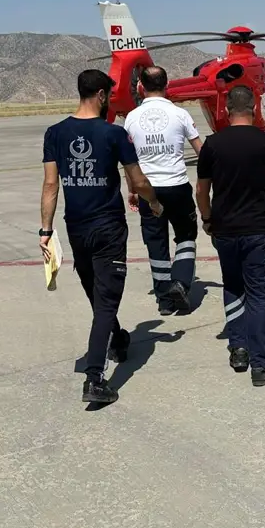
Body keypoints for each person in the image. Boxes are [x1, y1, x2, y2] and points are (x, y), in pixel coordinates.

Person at [40, 69, 162, 406]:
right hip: (108, 228)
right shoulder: (114, 134)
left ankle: (118, 338)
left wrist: (45, 230)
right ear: (102, 95)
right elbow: (138, 181)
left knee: (98, 293)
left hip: (75, 227)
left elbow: (50, 185)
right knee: (105, 300)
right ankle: (95, 378)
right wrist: (154, 203)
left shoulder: (55, 133)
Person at [195, 85, 265, 387]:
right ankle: (260, 364)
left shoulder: (212, 145)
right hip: (257, 229)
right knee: (258, 294)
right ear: (254, 109)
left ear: (227, 110)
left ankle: (238, 348)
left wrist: (207, 219)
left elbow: (201, 190)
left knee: (232, 286)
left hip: (225, 229)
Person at [123, 65, 203, 315]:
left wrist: (132, 189)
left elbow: (128, 161)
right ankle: (180, 282)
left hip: (148, 189)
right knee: (186, 235)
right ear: (167, 84)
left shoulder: (131, 118)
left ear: (140, 87)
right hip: (177, 186)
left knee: (156, 243)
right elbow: (201, 150)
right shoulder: (180, 114)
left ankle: (164, 301)